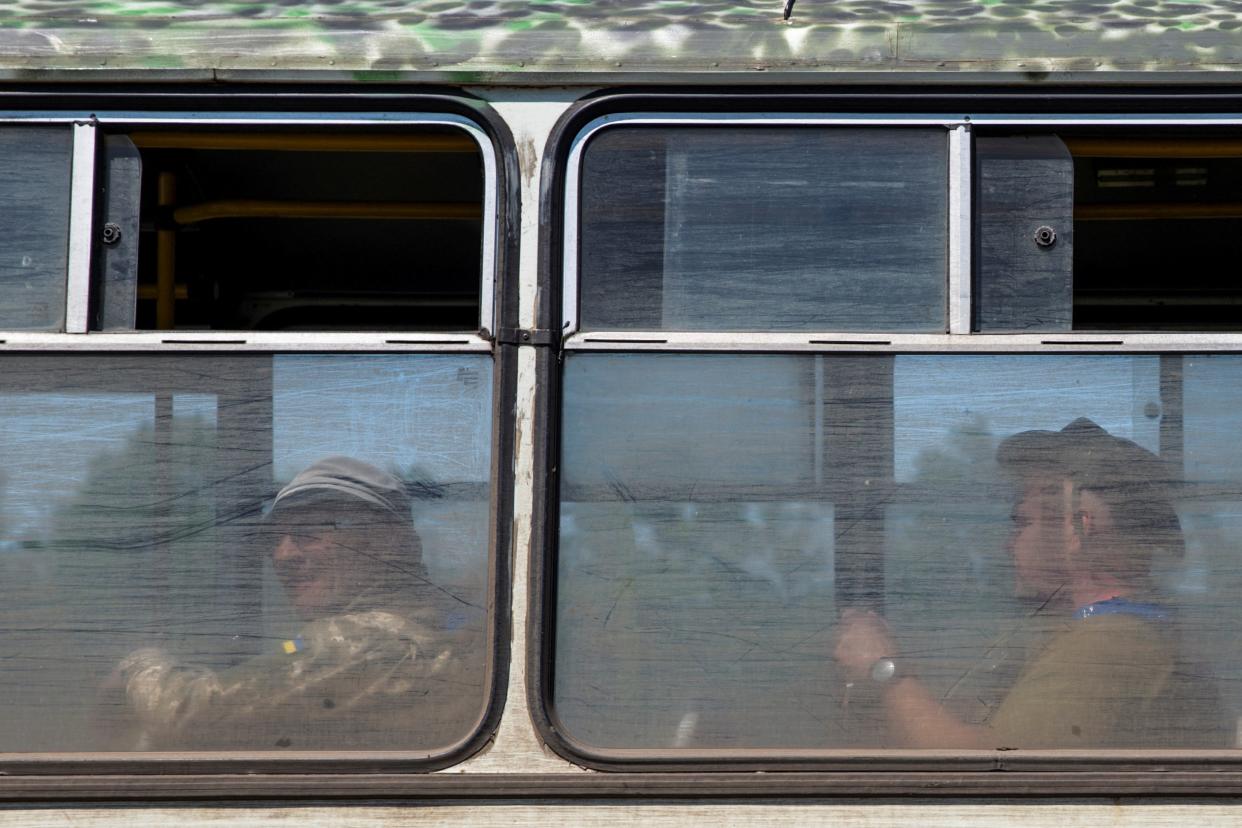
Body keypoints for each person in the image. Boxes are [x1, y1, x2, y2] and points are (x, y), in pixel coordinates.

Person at [834, 417, 1226, 748]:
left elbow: (980, 770)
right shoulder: (1112, 634)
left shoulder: (1109, 646)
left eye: (1023, 522)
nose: (1008, 546)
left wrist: (882, 670)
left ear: (1079, 528)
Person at [111, 456, 482, 750]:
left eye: (308, 533)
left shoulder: (367, 641)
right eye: (273, 540)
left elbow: (191, 715)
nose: (283, 555)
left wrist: (137, 666)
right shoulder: (440, 624)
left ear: (387, 542)